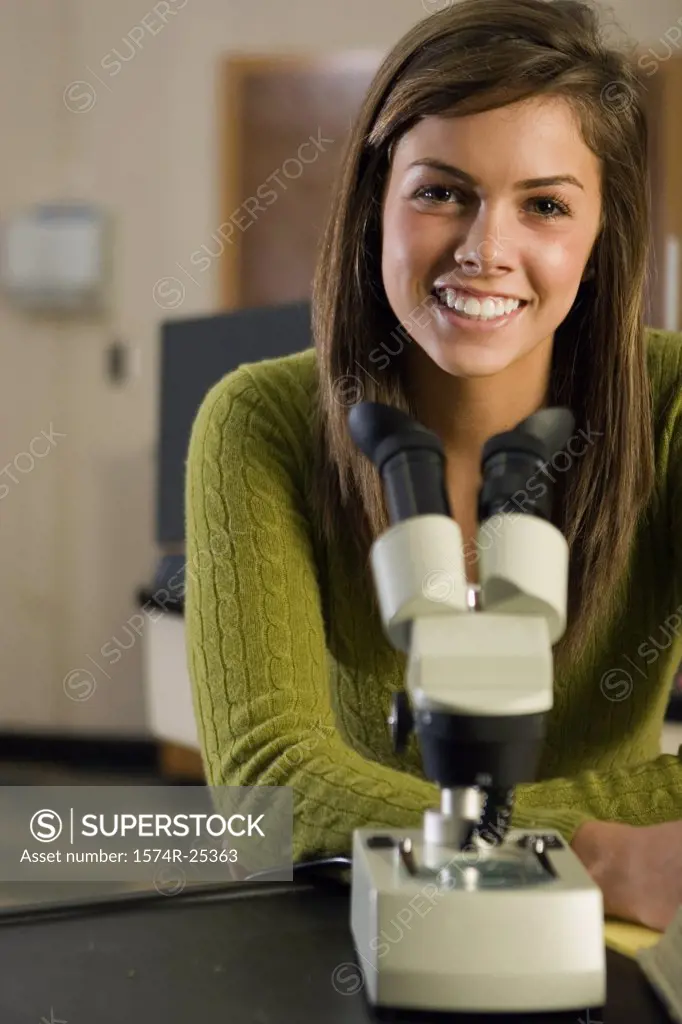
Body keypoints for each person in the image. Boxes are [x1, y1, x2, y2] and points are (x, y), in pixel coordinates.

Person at [184, 0, 682, 931]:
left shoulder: (675, 406)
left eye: (544, 205)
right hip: (332, 933)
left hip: (598, 948)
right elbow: (267, 794)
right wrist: (598, 848)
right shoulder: (259, 422)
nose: (486, 250)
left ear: (602, 228)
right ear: (377, 201)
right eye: (442, 192)